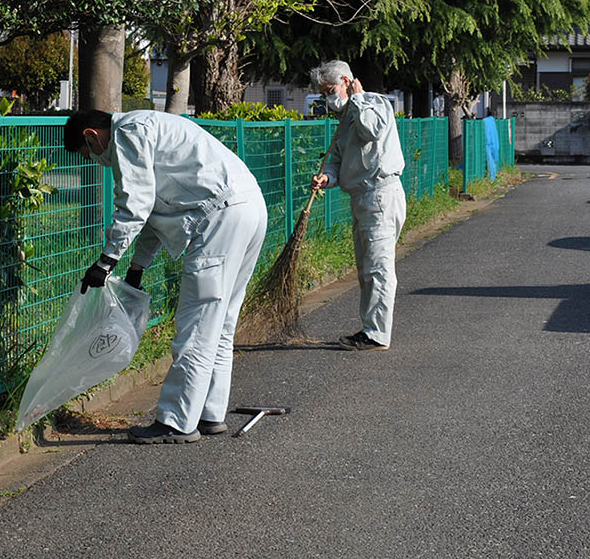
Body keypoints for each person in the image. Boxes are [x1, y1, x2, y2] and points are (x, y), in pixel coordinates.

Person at [64, 109, 267, 444]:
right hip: (248, 208)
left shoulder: (128, 132)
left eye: (89, 154)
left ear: (91, 135)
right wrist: (136, 267)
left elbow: (136, 204)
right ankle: (209, 413)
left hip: (221, 217)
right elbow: (156, 209)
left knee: (198, 322)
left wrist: (106, 262)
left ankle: (176, 422)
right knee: (221, 322)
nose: (96, 161)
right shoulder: (148, 126)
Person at [309, 60, 406, 351]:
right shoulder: (345, 119)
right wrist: (327, 176)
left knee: (378, 268)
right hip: (362, 197)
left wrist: (358, 97)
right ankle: (370, 328)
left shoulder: (373, 104)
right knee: (366, 269)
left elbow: (373, 131)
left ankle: (377, 333)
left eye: (330, 90)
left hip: (380, 194)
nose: (328, 97)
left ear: (346, 81)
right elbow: (338, 158)